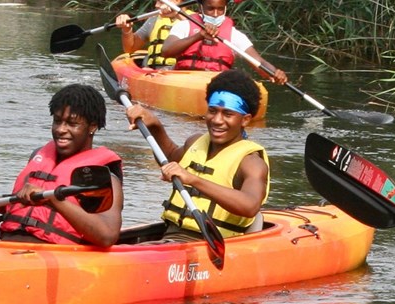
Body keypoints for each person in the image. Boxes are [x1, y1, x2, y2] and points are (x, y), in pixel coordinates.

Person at [0, 84, 124, 247]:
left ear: (92, 126)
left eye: (72, 123)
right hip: (9, 248)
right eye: (57, 121)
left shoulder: (102, 177)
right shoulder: (38, 157)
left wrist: (52, 199)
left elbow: (107, 235)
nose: (61, 129)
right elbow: (32, 210)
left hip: (58, 257)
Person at [125, 69, 270, 240]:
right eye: (212, 111)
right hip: (172, 236)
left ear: (245, 120)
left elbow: (250, 206)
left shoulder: (251, 162)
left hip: (211, 244)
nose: (217, 120)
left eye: (228, 114)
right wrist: (155, 125)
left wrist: (193, 179)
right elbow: (170, 159)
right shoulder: (194, 142)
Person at [161, 0, 287, 85]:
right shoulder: (184, 26)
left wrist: (274, 72)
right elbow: (166, 51)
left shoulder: (234, 34)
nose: (215, 14)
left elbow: (258, 62)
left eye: (220, 9)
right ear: (201, 7)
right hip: (184, 81)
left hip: (218, 84)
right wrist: (198, 36)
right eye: (210, 9)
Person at [115, 1, 192, 69]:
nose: (156, 5)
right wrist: (127, 29)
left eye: (161, 2)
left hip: (181, 72)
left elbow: (201, 34)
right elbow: (130, 48)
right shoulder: (153, 20)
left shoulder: (197, 21)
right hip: (153, 71)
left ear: (176, 1)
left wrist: (177, 14)